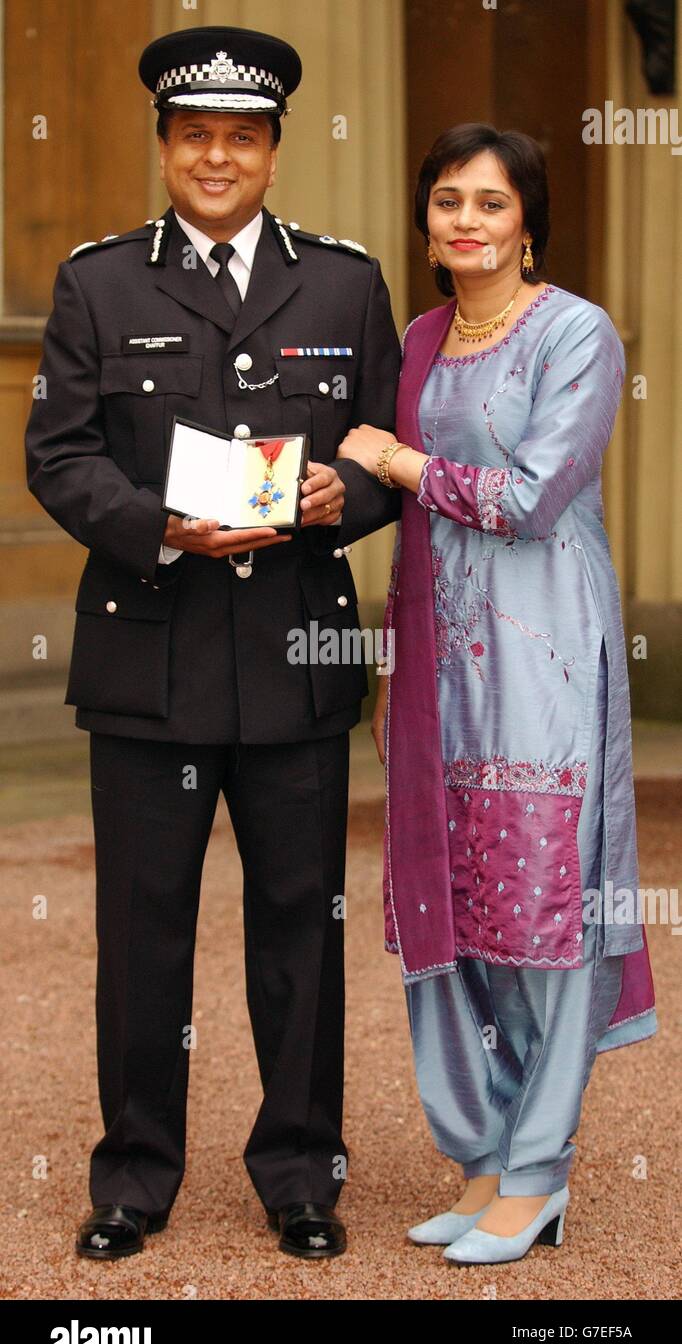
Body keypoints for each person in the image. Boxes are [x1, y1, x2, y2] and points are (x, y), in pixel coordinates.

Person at [25, 25, 401, 1261]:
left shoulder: (345, 283)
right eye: (196, 136)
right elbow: (59, 456)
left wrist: (356, 491)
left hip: (296, 652)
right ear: (167, 149)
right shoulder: (98, 281)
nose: (218, 157)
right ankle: (132, 1175)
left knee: (301, 920)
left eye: (243, 137)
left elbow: (387, 442)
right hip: (149, 656)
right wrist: (155, 525)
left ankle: (302, 1172)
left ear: (275, 153)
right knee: (143, 929)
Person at [336, 123, 657, 1266]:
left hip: (542, 660)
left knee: (539, 908)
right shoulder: (420, 337)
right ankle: (481, 1154)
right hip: (434, 660)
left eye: (489, 203)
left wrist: (401, 462)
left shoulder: (577, 333)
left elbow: (528, 497)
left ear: (528, 221)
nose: (464, 222)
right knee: (456, 907)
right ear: (424, 221)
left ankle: (538, 1171)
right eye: (445, 203)